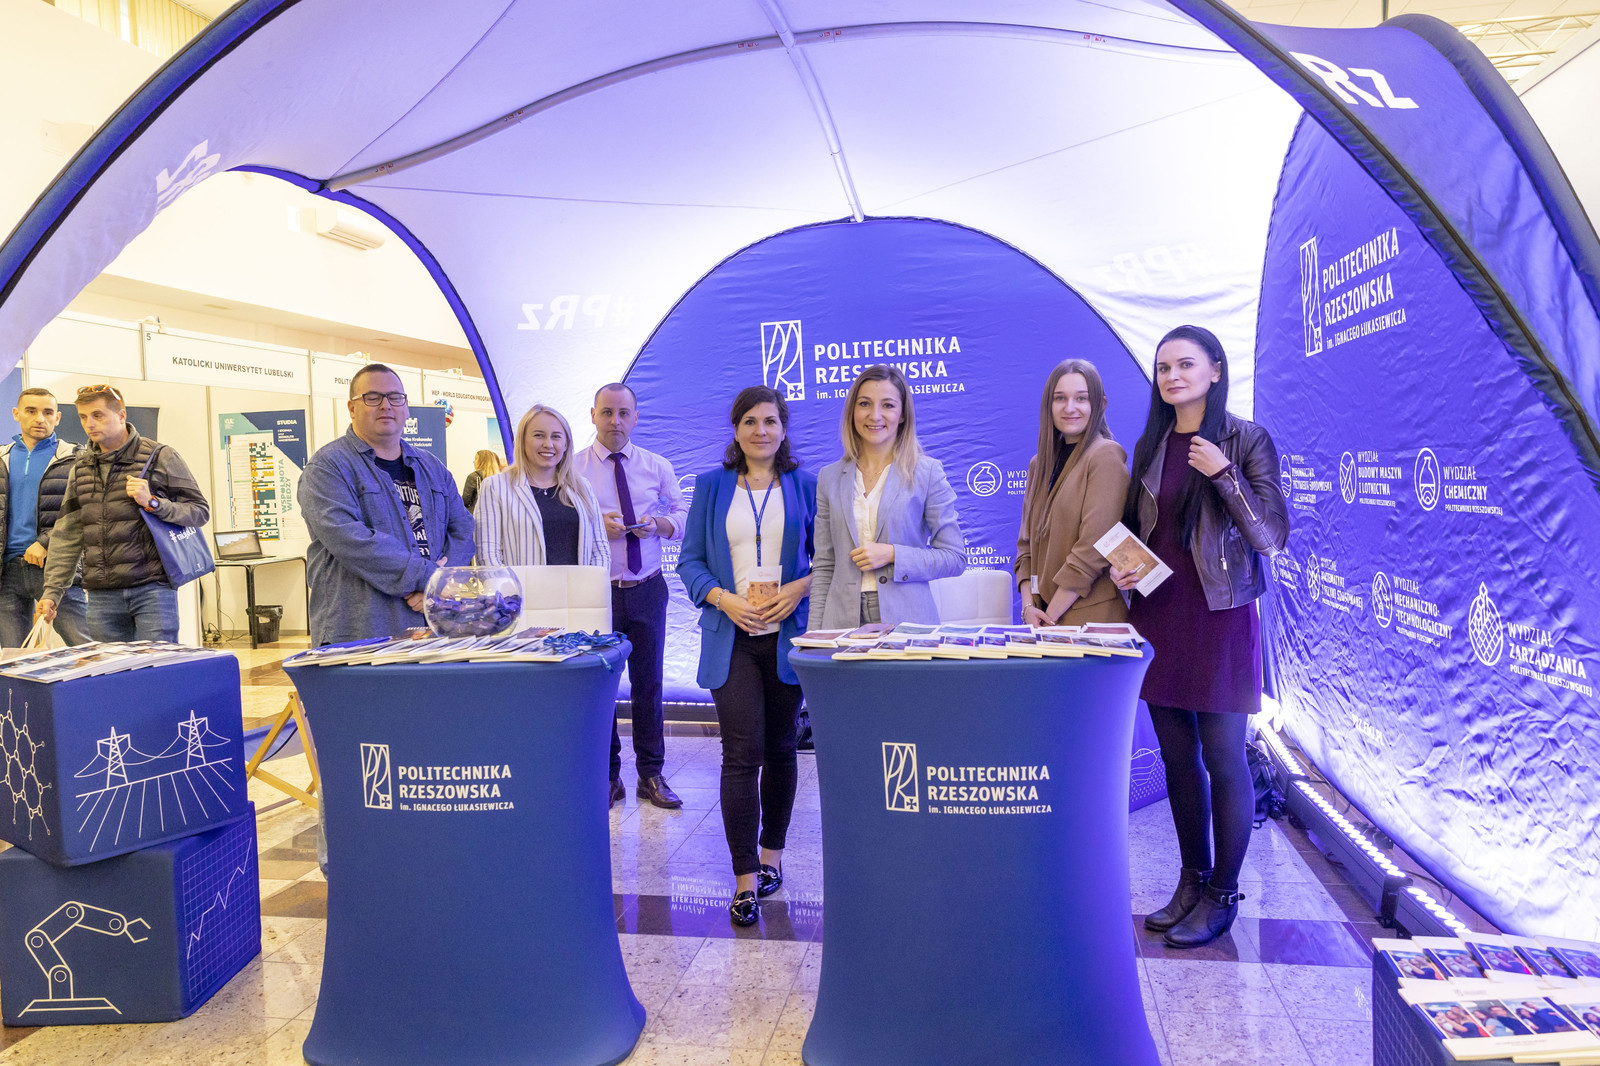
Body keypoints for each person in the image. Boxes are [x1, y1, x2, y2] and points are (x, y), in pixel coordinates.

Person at [1115, 325, 1288, 948]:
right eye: (1164, 367)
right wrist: (1124, 566)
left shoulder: (1245, 439)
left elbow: (1271, 537)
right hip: (1160, 613)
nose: (1172, 376)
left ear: (1215, 369)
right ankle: (1191, 881)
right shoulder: (1151, 443)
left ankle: (1223, 894)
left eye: (1185, 364)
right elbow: (1140, 531)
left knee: (1223, 757)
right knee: (1177, 758)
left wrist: (1225, 474)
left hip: (1220, 616)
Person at [676, 386, 816, 927]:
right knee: (741, 753)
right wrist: (723, 598)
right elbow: (689, 561)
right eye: (751, 421)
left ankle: (771, 857)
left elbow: (825, 560)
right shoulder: (711, 486)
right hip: (730, 636)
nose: (761, 430)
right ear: (736, 429)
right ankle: (744, 881)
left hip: (786, 637)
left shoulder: (806, 485)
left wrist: (799, 588)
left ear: (784, 428)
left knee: (781, 749)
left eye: (771, 421)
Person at [299, 364, 475, 647]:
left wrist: (439, 584)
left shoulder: (432, 467)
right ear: (352, 408)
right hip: (361, 633)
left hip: (434, 627)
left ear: (406, 407)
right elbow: (353, 542)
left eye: (395, 397)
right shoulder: (327, 468)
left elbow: (463, 529)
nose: (385, 405)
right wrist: (431, 578)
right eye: (372, 397)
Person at [574, 384, 689, 810]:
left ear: (636, 417)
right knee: (599, 685)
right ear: (592, 415)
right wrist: (593, 524)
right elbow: (563, 521)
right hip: (596, 592)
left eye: (624, 413)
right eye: (607, 412)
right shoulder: (573, 468)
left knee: (649, 683)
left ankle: (651, 775)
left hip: (647, 586)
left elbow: (681, 514)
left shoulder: (657, 465)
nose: (615, 421)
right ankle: (608, 776)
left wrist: (657, 525)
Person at [37, 385, 209, 642]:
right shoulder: (81, 468)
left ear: (121, 415)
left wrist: (153, 503)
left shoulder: (160, 456)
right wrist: (52, 591)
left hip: (152, 589)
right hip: (101, 596)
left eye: (98, 415)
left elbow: (199, 512)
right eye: (83, 416)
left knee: (157, 663)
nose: (89, 424)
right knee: (111, 667)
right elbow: (67, 535)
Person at [808, 365, 964, 630]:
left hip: (907, 621)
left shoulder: (927, 472)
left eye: (888, 405)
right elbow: (824, 567)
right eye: (864, 404)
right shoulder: (828, 477)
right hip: (841, 623)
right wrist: (814, 636)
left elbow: (954, 558)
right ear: (852, 411)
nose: (875, 415)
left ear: (902, 415)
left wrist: (894, 554)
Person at [1014, 359, 1130, 627]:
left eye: (1081, 398)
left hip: (1091, 620)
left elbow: (1092, 550)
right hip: (1042, 619)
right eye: (1060, 398)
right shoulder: (1038, 465)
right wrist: (1029, 608)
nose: (1069, 408)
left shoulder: (1106, 456)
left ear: (1100, 404)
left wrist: (1049, 618)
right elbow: (1025, 548)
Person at [0, 389, 88, 646]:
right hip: (6, 571)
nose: (40, 418)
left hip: (56, 568)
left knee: (86, 648)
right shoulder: (2, 458)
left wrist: (47, 541)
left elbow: (86, 511)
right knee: (13, 657)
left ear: (57, 418)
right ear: (16, 414)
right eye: (31, 411)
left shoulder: (75, 458)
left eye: (48, 412)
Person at [474, 405, 610, 569]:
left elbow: (600, 551)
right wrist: (509, 587)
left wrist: (592, 583)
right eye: (539, 435)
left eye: (556, 436)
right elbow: (488, 556)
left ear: (566, 444)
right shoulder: (495, 487)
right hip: (520, 586)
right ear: (522, 441)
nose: (548, 444)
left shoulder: (582, 487)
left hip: (579, 586)